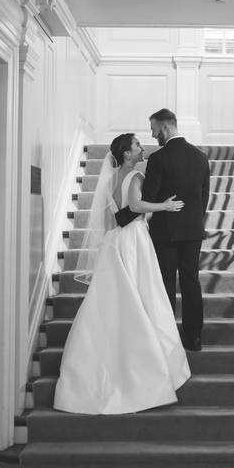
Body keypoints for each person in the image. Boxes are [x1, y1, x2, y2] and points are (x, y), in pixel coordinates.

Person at [53, 133, 190, 414]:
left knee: (113, 300)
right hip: (134, 239)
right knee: (143, 294)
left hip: (114, 240)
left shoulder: (109, 178)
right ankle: (145, 365)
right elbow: (136, 207)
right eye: (137, 145)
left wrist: (110, 241)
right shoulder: (135, 177)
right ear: (127, 154)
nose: (142, 148)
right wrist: (165, 206)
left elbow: (111, 217)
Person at [118, 109, 210, 351]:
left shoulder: (159, 159)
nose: (152, 134)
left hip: (165, 231)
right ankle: (194, 338)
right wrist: (194, 222)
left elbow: (148, 197)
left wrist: (121, 217)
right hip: (192, 230)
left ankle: (168, 339)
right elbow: (204, 198)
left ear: (165, 128)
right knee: (191, 282)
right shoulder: (201, 157)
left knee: (166, 283)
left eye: (154, 129)